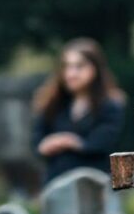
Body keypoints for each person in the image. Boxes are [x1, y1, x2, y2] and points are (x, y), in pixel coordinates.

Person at [32, 38, 125, 184]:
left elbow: (103, 142)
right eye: (67, 67)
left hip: (95, 188)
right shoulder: (53, 104)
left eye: (79, 66)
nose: (71, 73)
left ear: (95, 68)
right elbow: (37, 141)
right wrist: (46, 145)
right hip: (56, 185)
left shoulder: (110, 105)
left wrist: (70, 142)